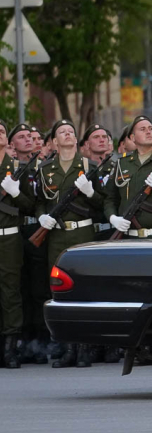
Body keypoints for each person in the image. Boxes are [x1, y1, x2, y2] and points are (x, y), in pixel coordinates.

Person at [35, 120, 102, 368]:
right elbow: (41, 200)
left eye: (71, 132)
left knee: (85, 291)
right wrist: (43, 215)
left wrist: (90, 193)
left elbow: (102, 205)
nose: (68, 134)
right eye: (62, 132)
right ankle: (68, 348)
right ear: (53, 141)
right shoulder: (45, 169)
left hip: (82, 235)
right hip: (56, 236)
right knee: (61, 294)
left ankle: (85, 348)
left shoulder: (89, 166)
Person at [0, 119, 36, 368]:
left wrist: (14, 193)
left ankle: (10, 347)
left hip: (8, 236)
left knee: (10, 291)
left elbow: (30, 206)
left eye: (2, 131)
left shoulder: (18, 167)